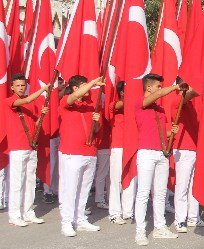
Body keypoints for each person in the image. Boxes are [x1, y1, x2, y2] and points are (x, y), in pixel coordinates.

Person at [134, 73, 182, 246]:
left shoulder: (160, 110)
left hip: (161, 153)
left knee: (160, 193)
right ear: (149, 87)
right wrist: (175, 87)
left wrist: (171, 133)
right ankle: (140, 231)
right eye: (158, 86)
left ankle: (159, 227)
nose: (160, 89)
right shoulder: (141, 103)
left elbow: (160, 133)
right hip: (146, 153)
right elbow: (159, 95)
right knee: (143, 193)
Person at [58, 75, 104, 237]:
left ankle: (80, 219)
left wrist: (97, 122)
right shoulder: (66, 101)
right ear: (76, 88)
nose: (89, 90)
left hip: (90, 151)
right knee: (70, 188)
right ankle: (66, 222)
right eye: (84, 86)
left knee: (84, 188)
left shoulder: (91, 106)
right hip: (72, 153)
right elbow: (74, 97)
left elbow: (97, 130)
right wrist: (92, 83)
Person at [5, 74, 49, 227]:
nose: (21, 88)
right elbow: (26, 100)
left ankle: (28, 212)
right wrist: (43, 89)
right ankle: (15, 215)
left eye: (23, 85)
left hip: (31, 146)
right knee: (17, 182)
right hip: (17, 147)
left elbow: (35, 125)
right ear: (12, 87)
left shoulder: (31, 105)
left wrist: (42, 115)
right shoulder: (9, 101)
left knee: (30, 181)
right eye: (17, 85)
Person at [170, 77, 204, 233]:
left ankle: (193, 218)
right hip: (182, 149)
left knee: (194, 186)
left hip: (194, 149)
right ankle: (179, 220)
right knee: (182, 186)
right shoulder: (177, 101)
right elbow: (191, 93)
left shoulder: (192, 107)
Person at [107, 81, 135, 225]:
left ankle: (128, 211)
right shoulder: (115, 105)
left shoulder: (135, 106)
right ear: (122, 92)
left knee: (130, 178)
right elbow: (119, 105)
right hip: (118, 146)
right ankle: (114, 213)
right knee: (116, 179)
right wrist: (130, 98)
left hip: (132, 144)